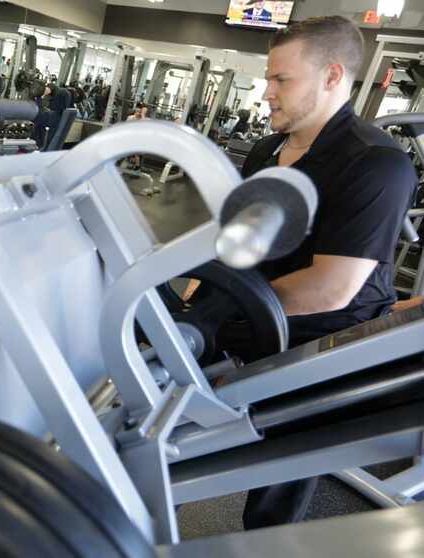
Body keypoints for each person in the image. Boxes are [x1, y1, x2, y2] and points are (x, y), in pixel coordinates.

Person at [237, 16, 418, 530]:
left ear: (332, 76)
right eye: (268, 77)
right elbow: (232, 247)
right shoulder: (265, 150)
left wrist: (215, 318)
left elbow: (329, 289)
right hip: (255, 317)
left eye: (282, 80)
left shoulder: (377, 162)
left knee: (274, 491)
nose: (266, 91)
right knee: (167, 448)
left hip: (322, 343)